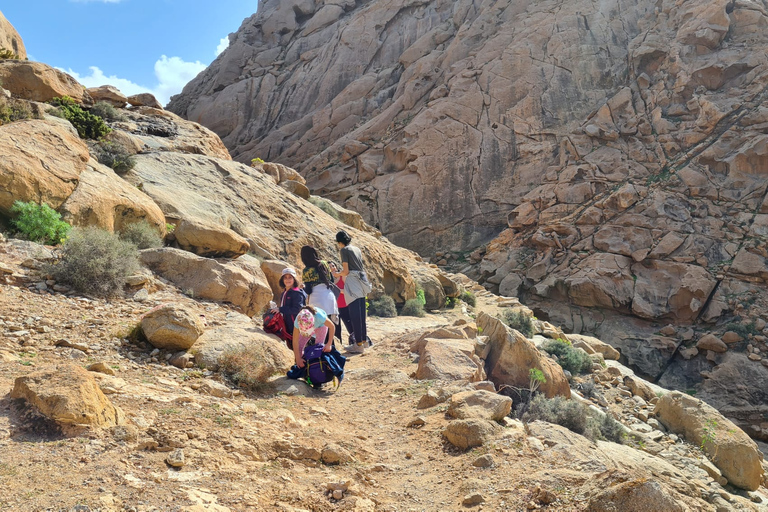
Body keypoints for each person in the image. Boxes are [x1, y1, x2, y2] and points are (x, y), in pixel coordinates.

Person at [332, 230, 372, 353]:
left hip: (353, 281)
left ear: (340, 242)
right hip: (361, 279)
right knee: (361, 312)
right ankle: (364, 341)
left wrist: (336, 274)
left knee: (354, 313)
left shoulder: (344, 250)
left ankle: (358, 344)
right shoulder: (357, 249)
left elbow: (346, 271)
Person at [300, 245, 340, 344]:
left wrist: (304, 287)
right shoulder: (325, 263)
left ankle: (323, 354)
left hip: (317, 300)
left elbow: (309, 291)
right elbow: (330, 280)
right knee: (330, 326)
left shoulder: (306, 271)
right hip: (329, 296)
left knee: (321, 329)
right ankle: (333, 352)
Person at [270, 268, 306, 338]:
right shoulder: (284, 292)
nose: (287, 280)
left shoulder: (297, 293)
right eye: (285, 278)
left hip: (295, 325)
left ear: (294, 279)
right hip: (286, 324)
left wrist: (280, 309)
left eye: (290, 277)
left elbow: (297, 309)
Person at [330, 261, 355, 346]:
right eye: (329, 266)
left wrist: (339, 290)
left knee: (350, 326)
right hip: (333, 308)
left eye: (333, 266)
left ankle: (355, 343)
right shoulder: (327, 280)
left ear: (336, 267)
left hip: (344, 306)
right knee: (336, 329)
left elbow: (349, 290)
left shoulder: (342, 276)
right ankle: (338, 346)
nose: (332, 268)